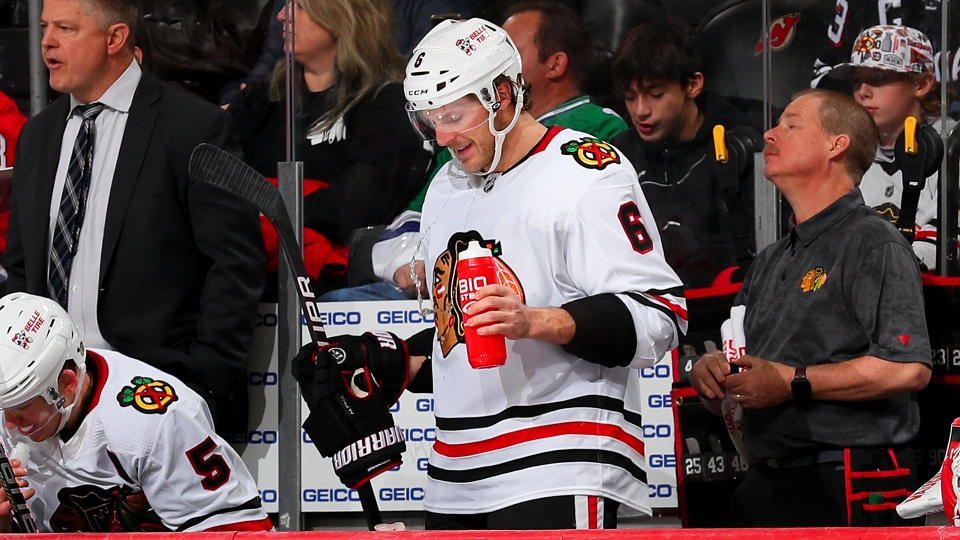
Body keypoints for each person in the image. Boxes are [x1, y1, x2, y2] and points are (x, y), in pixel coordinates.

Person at [297, 17, 687, 530]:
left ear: (502, 93)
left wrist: (535, 322)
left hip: (559, 467)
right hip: (454, 477)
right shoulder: (446, 189)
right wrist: (394, 360)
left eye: (454, 114)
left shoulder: (586, 171)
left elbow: (661, 314)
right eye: (429, 119)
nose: (442, 136)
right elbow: (463, 336)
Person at [2, 0, 266, 434]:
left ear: (115, 39)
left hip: (156, 396)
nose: (47, 41)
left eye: (66, 28)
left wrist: (203, 380)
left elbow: (235, 263)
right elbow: (21, 269)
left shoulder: (192, 128)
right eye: (46, 26)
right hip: (48, 409)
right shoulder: (37, 136)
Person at [688, 89, 932, 527]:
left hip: (848, 479)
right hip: (766, 482)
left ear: (836, 145)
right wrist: (718, 377)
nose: (769, 133)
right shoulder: (770, 260)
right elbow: (750, 381)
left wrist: (791, 382)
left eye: (791, 125)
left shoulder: (873, 241)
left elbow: (907, 369)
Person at [323, 0, 628, 302]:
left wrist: (544, 323)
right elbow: (408, 231)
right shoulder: (455, 156)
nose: (443, 138)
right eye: (435, 120)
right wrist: (414, 267)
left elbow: (641, 305)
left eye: (510, 52)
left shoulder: (595, 136)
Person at [0, 293, 272, 532]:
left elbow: (233, 529)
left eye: (21, 406)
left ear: (67, 385)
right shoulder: (16, 399)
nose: (8, 423)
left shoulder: (159, 421)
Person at [228, 0, 430, 295]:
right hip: (249, 273)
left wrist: (261, 210)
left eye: (298, 7)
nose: (282, 16)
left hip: (338, 285)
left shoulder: (387, 103)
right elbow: (216, 179)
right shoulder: (262, 98)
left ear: (341, 15)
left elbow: (352, 210)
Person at [610, 16, 764, 290]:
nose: (640, 111)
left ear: (693, 85)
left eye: (655, 94)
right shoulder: (620, 154)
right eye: (630, 97)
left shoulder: (748, 134)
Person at [828, 24, 951, 272]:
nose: (863, 92)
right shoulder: (843, 154)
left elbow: (946, 244)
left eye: (880, 78)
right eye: (857, 81)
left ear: (922, 84)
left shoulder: (953, 147)